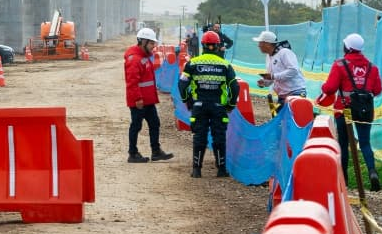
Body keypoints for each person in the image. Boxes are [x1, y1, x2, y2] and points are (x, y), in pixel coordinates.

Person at [317, 33, 382, 190]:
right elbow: (378, 89)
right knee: (365, 142)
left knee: (343, 143)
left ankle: (344, 180)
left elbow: (330, 88)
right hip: (365, 109)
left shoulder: (339, 65)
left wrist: (324, 88)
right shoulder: (372, 67)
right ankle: (372, 172)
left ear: (347, 47)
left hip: (344, 109)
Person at [179, 30, 239, 178]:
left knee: (199, 136)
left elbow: (182, 84)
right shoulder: (225, 65)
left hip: (198, 106)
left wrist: (187, 100)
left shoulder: (192, 63)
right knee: (219, 137)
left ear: (203, 45)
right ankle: (221, 170)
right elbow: (235, 87)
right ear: (218, 46)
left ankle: (196, 170)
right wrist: (230, 105)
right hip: (219, 107)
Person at [124, 28, 174, 163]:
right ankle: (132, 153)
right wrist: (137, 99)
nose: (154, 46)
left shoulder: (144, 57)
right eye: (151, 43)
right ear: (143, 42)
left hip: (148, 100)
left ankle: (156, 152)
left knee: (154, 124)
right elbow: (132, 82)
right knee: (136, 126)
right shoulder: (135, 59)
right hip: (139, 101)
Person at [253, 31, 307, 112]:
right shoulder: (269, 56)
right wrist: (265, 82)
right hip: (282, 96)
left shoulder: (285, 52)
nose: (258, 45)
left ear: (267, 44)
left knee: (291, 120)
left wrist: (272, 76)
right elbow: (273, 77)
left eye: (260, 43)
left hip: (296, 93)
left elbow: (293, 70)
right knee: (279, 119)